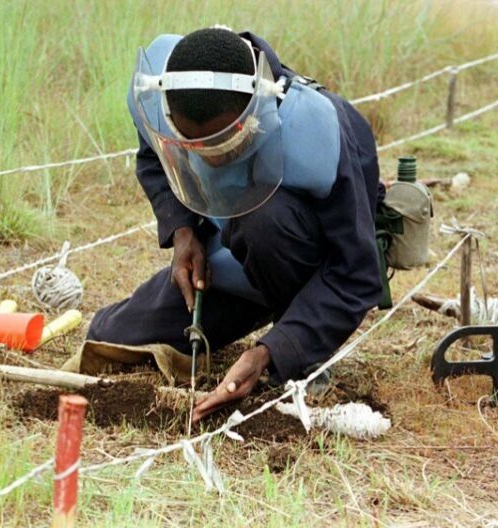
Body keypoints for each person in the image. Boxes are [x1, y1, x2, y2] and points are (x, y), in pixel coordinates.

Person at [86, 27, 383, 423]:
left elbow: (355, 273)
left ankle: (301, 352)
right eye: (194, 147)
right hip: (229, 259)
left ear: (254, 114)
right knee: (110, 337)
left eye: (224, 146)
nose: (209, 161)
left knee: (264, 220)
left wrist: (273, 351)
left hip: (299, 269)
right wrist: (183, 232)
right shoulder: (157, 91)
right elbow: (154, 158)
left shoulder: (316, 133)